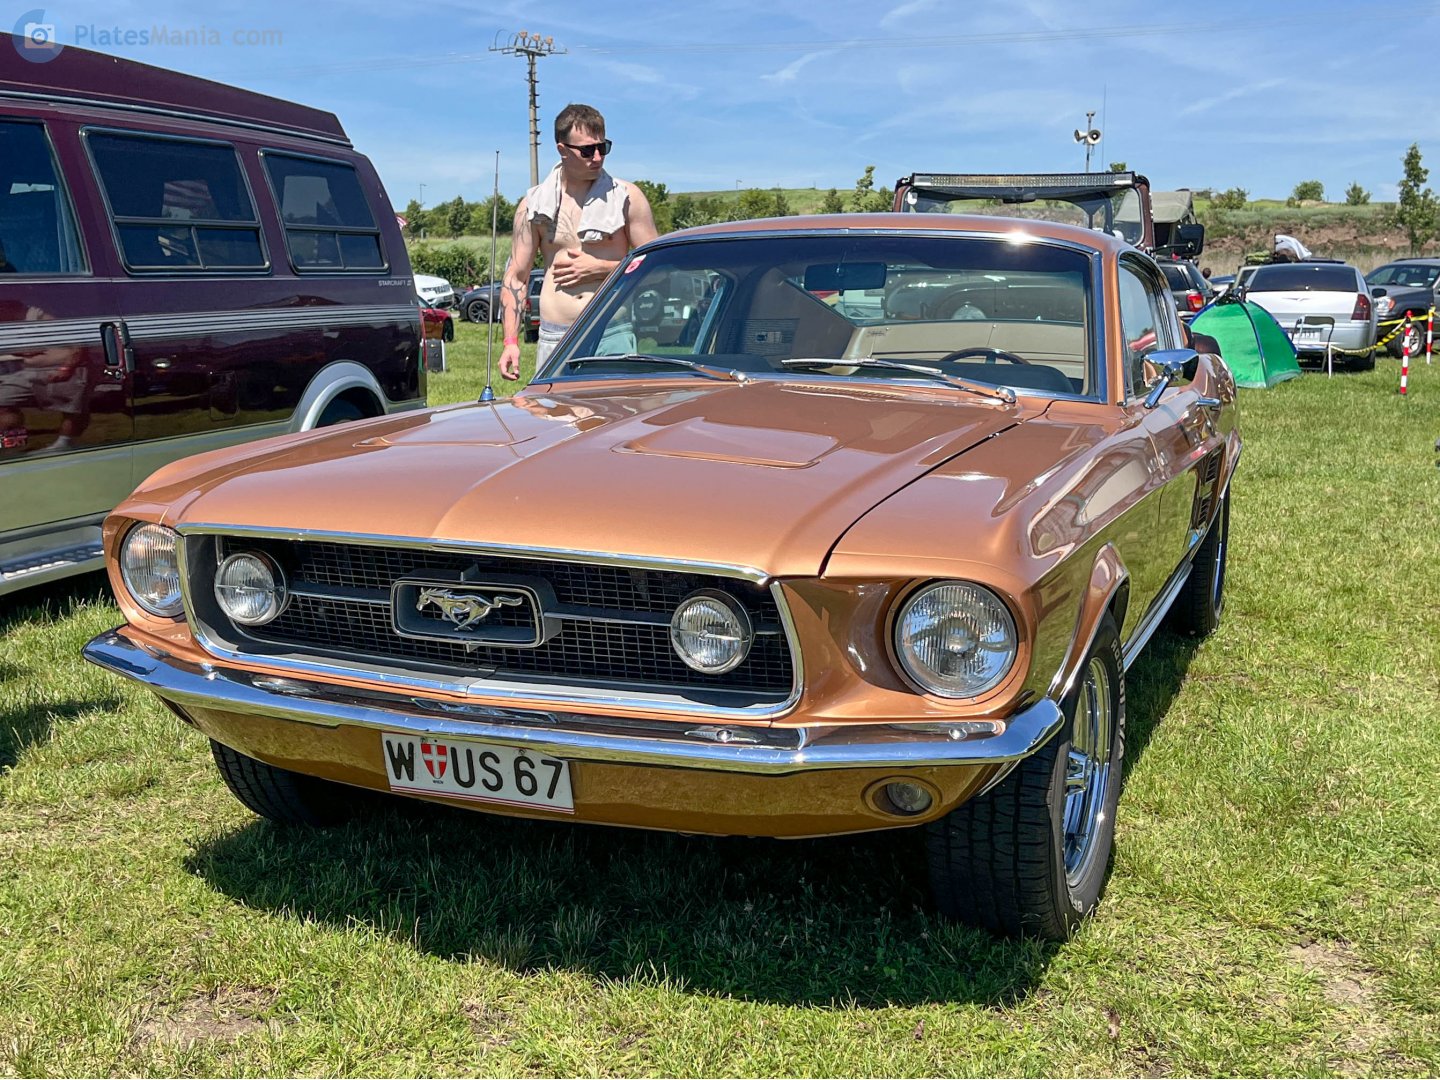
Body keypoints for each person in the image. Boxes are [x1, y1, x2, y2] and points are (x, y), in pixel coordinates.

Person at [498, 103, 658, 380]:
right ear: (562, 150)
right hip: (555, 337)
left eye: (603, 147)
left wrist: (603, 268)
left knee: (613, 421)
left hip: (611, 334)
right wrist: (510, 342)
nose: (597, 157)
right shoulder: (532, 205)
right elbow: (517, 276)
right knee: (553, 420)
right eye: (586, 150)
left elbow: (657, 266)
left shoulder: (628, 197)